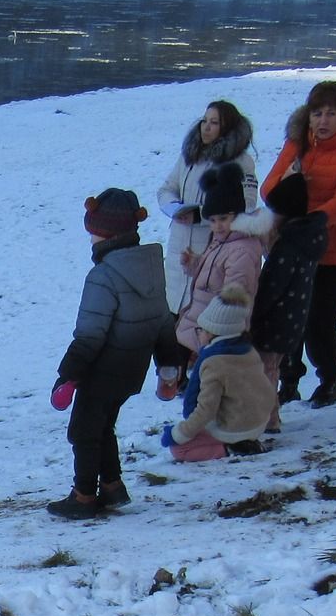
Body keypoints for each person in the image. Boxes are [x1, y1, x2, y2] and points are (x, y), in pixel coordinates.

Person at [46, 187, 179, 518]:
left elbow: (90, 334)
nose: (90, 239)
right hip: (133, 368)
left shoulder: (103, 276)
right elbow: (164, 322)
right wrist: (169, 365)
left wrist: (69, 374)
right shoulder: (152, 269)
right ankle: (112, 487)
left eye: (93, 232)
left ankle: (83, 497)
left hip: (103, 368)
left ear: (104, 233)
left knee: (84, 431)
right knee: (104, 426)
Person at [261, 80, 336, 407]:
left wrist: (312, 220)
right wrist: (285, 198)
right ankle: (288, 379)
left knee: (319, 317)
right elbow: (270, 187)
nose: (323, 121)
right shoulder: (299, 140)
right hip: (295, 241)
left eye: (331, 113)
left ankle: (330, 379)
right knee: (288, 312)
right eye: (317, 113)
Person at [247, 171, 328, 431]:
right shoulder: (309, 238)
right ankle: (271, 417)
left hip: (275, 320)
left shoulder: (287, 248)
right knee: (271, 369)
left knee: (265, 371)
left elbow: (272, 287)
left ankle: (268, 420)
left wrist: (253, 314)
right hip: (293, 317)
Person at [158, 101, 260, 308]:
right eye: (205, 120)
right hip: (179, 243)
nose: (206, 127)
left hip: (210, 245)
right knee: (173, 310)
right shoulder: (189, 157)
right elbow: (166, 188)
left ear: (227, 128)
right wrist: (173, 207)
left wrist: (200, 215)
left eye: (214, 123)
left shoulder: (240, 162)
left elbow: (246, 205)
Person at [167, 162, 269, 368]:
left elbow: (235, 299)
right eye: (212, 220)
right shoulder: (221, 240)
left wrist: (212, 336)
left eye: (223, 218)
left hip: (219, 339)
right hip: (203, 334)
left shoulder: (242, 250)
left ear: (237, 214)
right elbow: (214, 278)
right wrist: (195, 264)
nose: (217, 225)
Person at [159, 285, 276, 462]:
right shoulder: (248, 351)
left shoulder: (214, 362)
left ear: (214, 333)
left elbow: (206, 410)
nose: (200, 334)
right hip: (256, 422)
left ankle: (231, 449)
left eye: (202, 330)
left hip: (233, 429)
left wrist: (178, 434)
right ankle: (241, 441)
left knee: (179, 450)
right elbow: (267, 390)